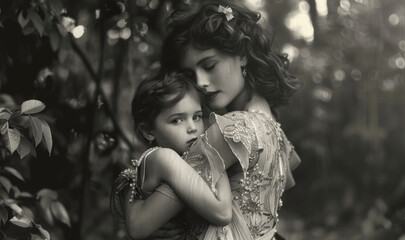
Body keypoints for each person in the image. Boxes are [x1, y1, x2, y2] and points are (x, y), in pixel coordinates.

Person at [126, 0, 301, 239]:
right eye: (190, 74)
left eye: (209, 65)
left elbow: (139, 223)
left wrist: (126, 186)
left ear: (242, 54)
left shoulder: (229, 132)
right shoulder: (277, 133)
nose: (200, 82)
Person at [111, 71, 240, 239]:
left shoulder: (161, 159)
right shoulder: (163, 157)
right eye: (177, 120)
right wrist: (216, 154)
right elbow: (222, 213)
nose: (192, 128)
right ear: (148, 131)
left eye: (197, 117)